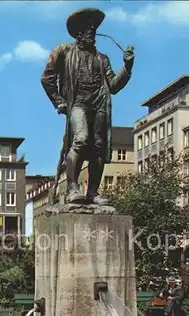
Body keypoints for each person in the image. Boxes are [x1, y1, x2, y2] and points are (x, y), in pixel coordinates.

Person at [41, 8, 134, 205]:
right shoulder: (64, 51)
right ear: (79, 33)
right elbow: (47, 78)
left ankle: (92, 192)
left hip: (99, 103)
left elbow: (114, 86)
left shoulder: (102, 59)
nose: (92, 33)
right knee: (81, 139)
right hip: (77, 103)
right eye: (87, 29)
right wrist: (59, 101)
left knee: (99, 147)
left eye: (93, 30)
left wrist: (127, 67)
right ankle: (73, 188)